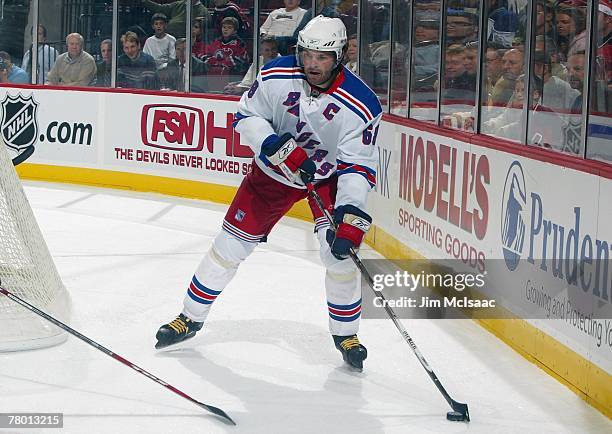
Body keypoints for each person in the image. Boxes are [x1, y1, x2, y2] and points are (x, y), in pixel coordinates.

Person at [156, 15, 382, 371]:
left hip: (328, 178)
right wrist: (272, 143)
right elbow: (246, 116)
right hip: (273, 173)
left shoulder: (362, 104)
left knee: (339, 255)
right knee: (229, 247)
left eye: (322, 57)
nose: (312, 63)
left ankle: (346, 334)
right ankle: (189, 316)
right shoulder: (276, 74)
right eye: (307, 54)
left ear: (339, 55)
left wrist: (351, 212)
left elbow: (358, 166)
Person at [143, 0, 208, 39]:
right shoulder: (179, 4)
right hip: (166, 37)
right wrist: (144, 1)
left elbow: (199, 31)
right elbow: (160, 9)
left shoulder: (203, 11)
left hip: (184, 42)